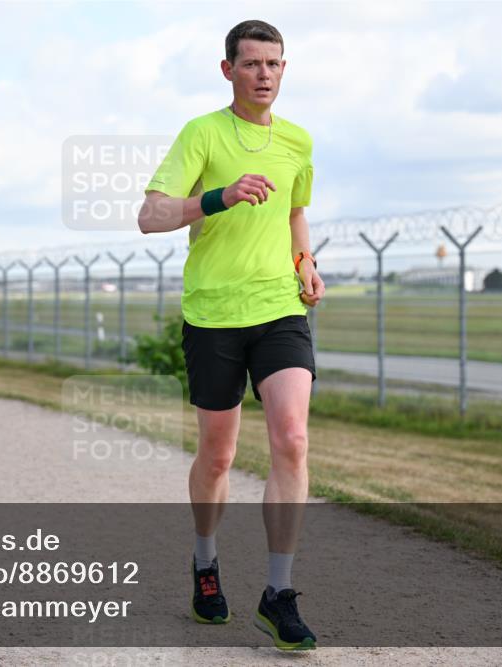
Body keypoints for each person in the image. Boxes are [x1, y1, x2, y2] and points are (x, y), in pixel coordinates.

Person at [138, 20, 325, 651]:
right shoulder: (203, 133)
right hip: (214, 314)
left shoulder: (298, 140)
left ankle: (278, 593)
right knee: (217, 457)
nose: (265, 74)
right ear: (228, 71)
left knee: (292, 439)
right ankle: (205, 561)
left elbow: (296, 211)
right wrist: (218, 196)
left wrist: (307, 264)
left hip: (279, 310)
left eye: (274, 64)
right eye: (252, 64)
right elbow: (151, 214)